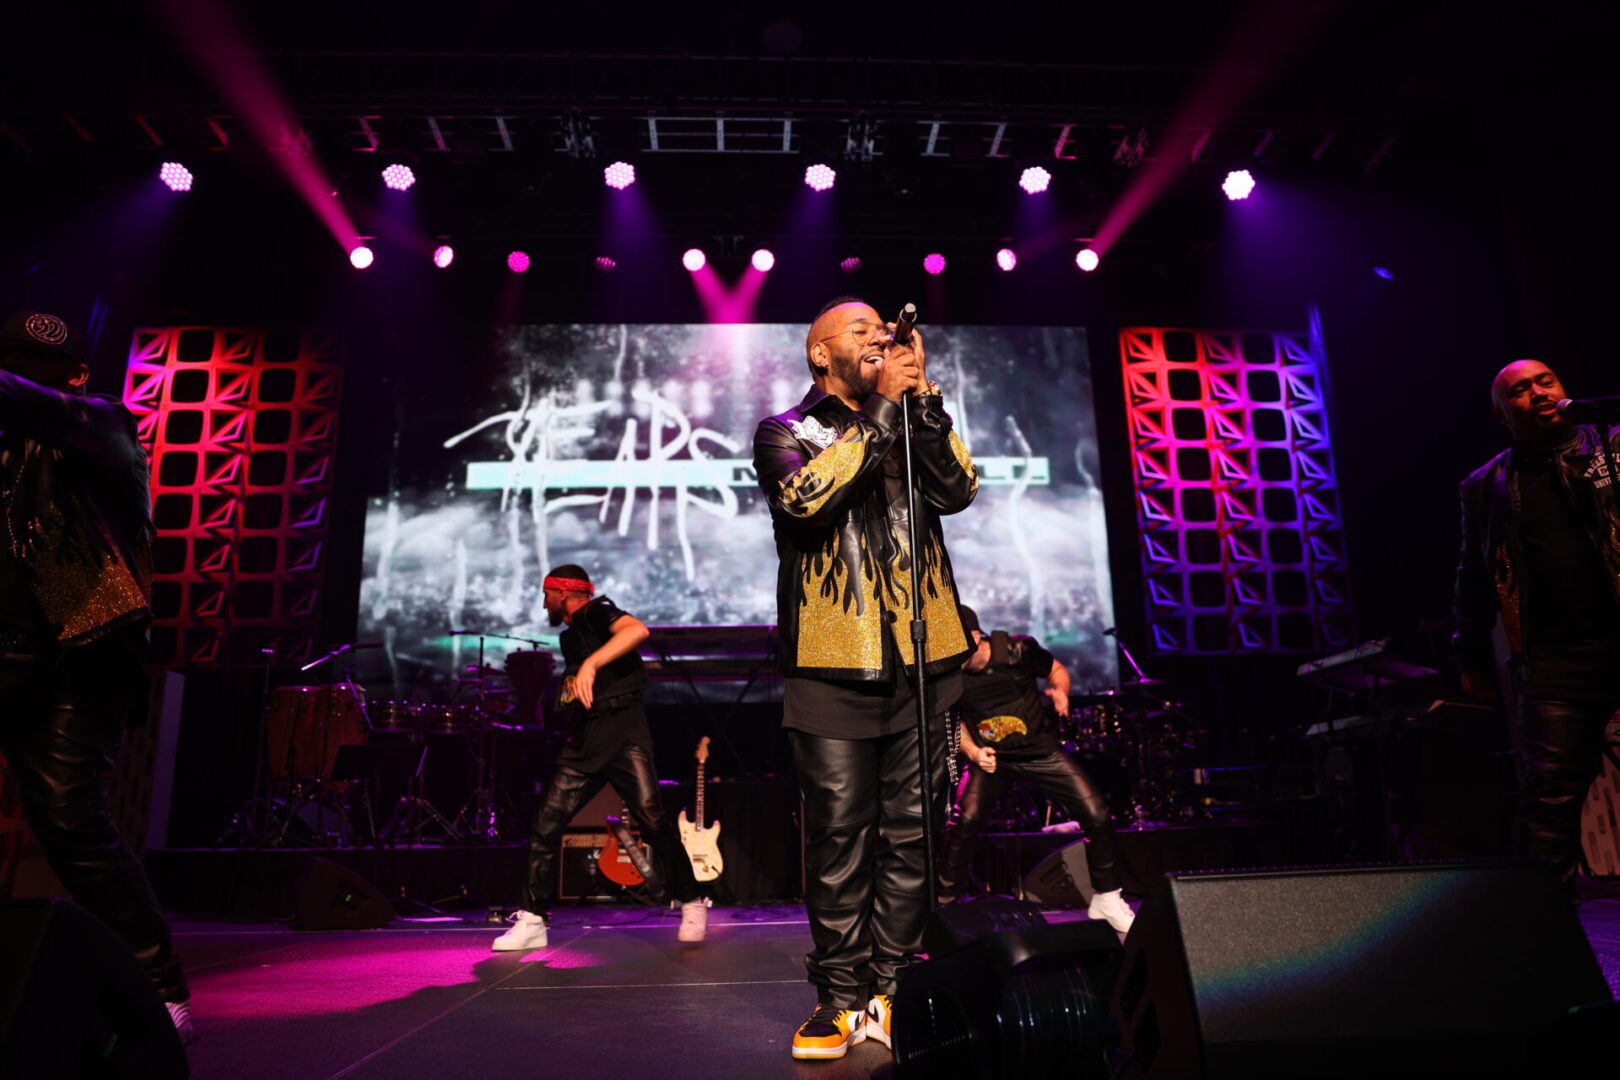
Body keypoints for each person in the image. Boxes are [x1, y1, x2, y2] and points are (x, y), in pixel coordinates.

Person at [753, 297, 977, 1061]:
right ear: (821, 354)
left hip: (926, 667)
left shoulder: (910, 418)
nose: (879, 335)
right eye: (861, 329)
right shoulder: (785, 430)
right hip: (830, 666)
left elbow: (959, 490)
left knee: (914, 836)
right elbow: (806, 500)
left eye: (885, 328)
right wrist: (882, 408)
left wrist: (926, 405)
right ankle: (838, 996)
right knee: (840, 840)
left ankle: (888, 987)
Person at [0, 310, 192, 1041]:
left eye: (39, 367)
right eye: (13, 360)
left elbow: (26, 401)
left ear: (77, 376)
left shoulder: (104, 425)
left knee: (70, 821)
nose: (25, 377)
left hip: (74, 658)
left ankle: (158, 985)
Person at [1454, 359, 1620, 897]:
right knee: (1547, 799)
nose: (1537, 393)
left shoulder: (1614, 446)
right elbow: (1473, 574)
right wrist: (1472, 653)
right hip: (1558, 660)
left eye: (1545, 381)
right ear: (1501, 414)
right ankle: (1547, 941)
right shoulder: (1486, 486)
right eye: (1519, 391)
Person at [493, 565, 709, 950]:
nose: (543, 601)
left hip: (625, 733)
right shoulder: (570, 636)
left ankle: (692, 900)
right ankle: (533, 919)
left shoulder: (596, 611)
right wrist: (571, 689)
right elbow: (582, 681)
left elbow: (637, 630)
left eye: (546, 593)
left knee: (655, 821)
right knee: (545, 822)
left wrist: (592, 664)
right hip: (585, 740)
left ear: (562, 593)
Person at [937, 606, 1134, 933]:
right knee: (964, 820)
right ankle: (943, 907)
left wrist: (1062, 692)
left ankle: (1107, 899)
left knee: (1096, 814)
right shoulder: (946, 673)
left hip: (1039, 752)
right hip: (993, 759)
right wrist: (973, 751)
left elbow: (1056, 669)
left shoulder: (1016, 650)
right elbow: (952, 719)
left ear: (975, 637)